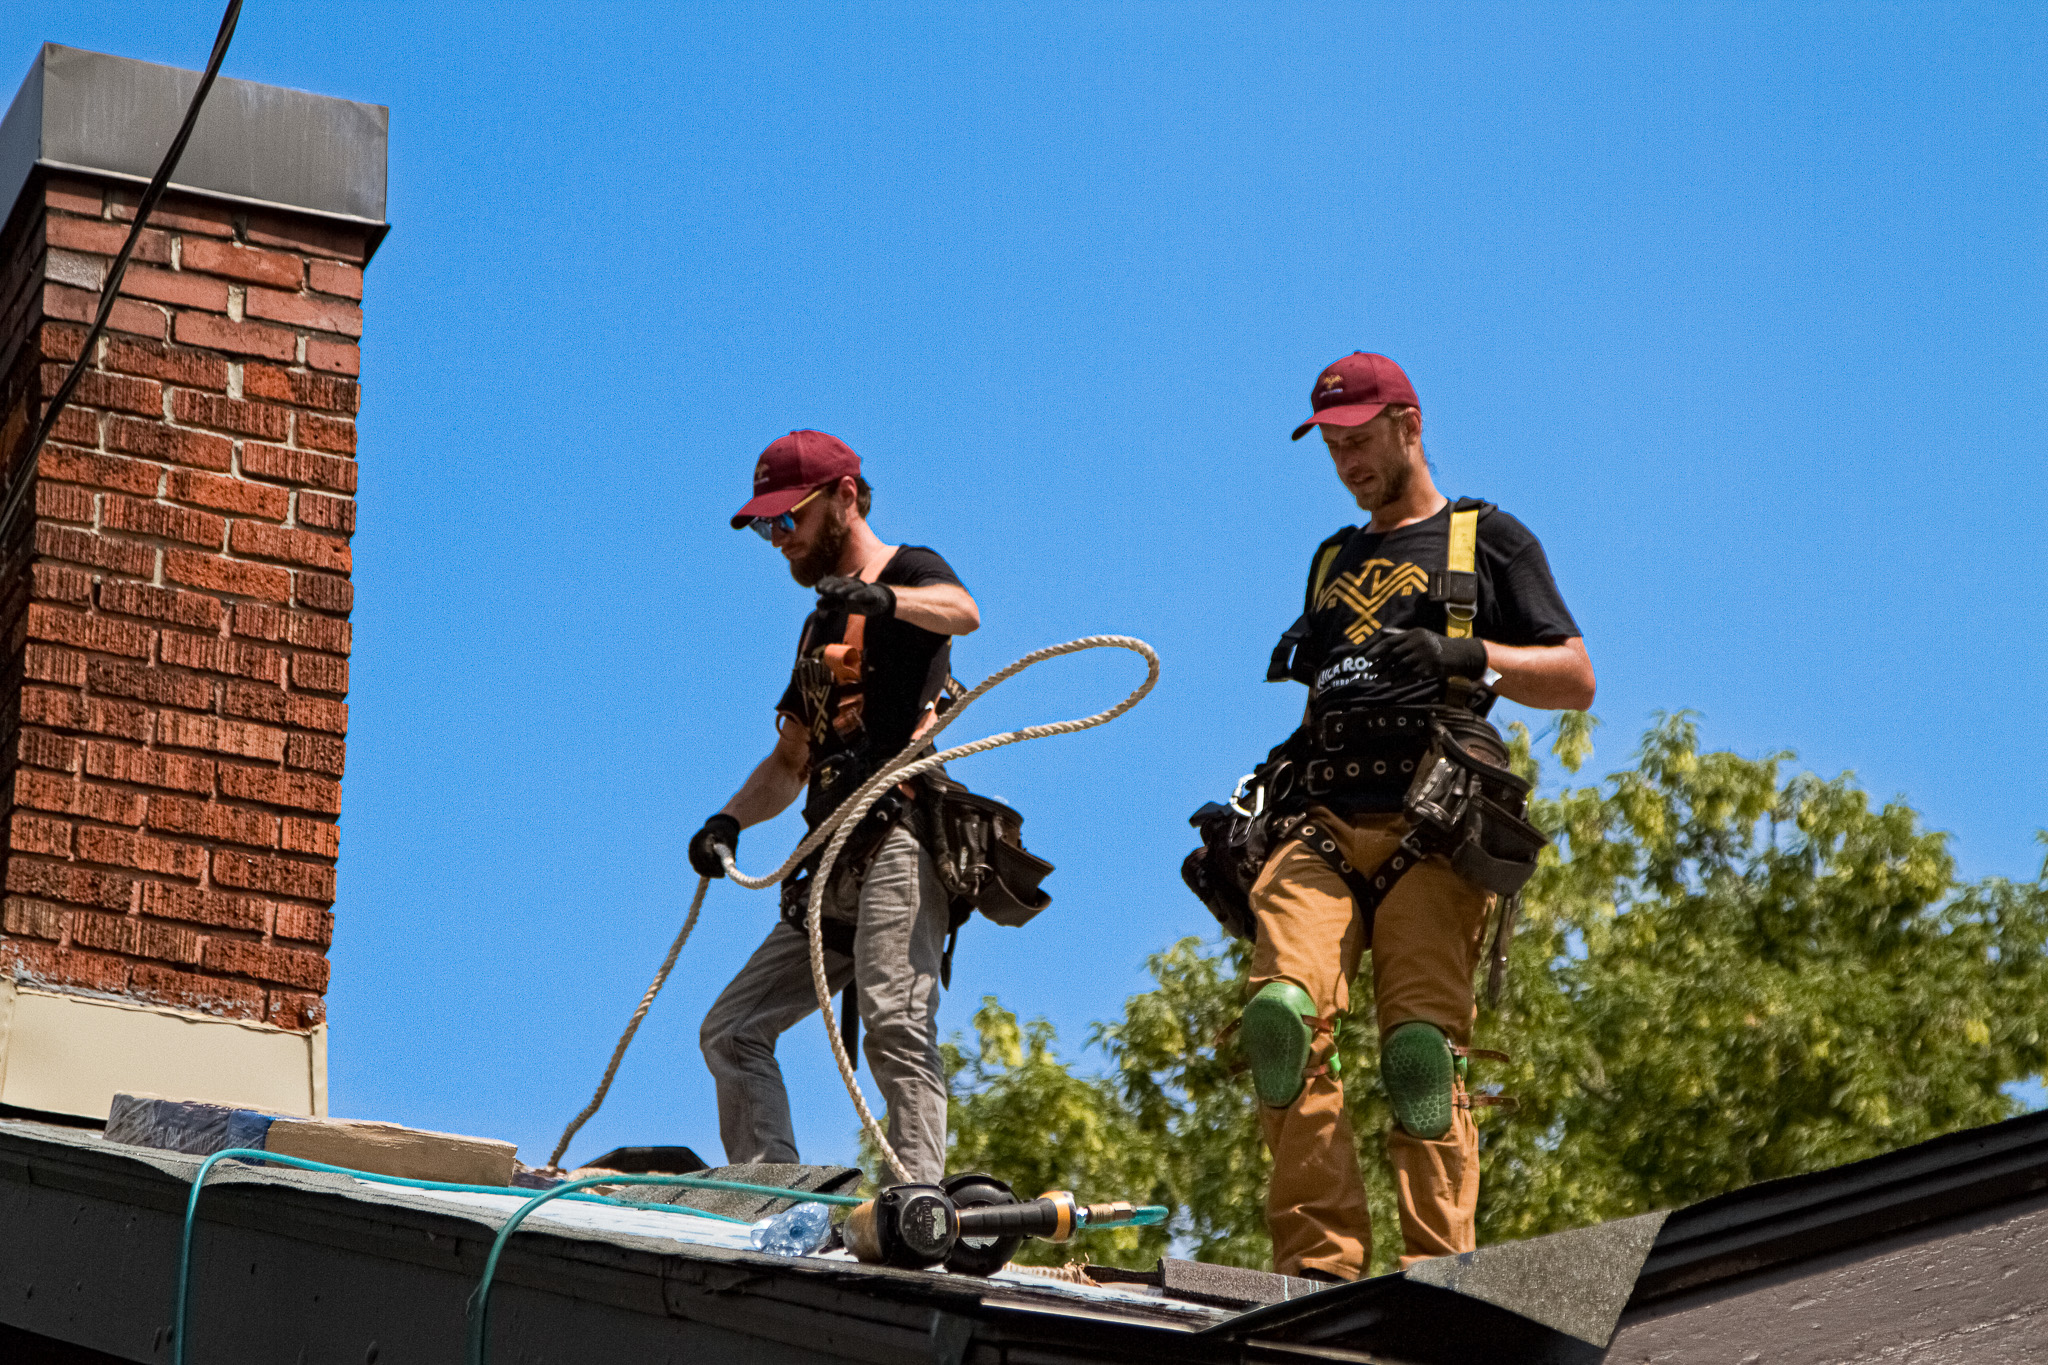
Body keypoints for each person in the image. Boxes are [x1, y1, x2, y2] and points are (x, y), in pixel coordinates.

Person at [1246, 352, 1594, 1280]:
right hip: (1319, 814)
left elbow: (1576, 677)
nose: (1348, 461)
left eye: (1361, 439)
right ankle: (1318, 1268)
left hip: (1430, 824)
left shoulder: (1486, 537)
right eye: (1333, 447)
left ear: (1410, 424)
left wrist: (1463, 651)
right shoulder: (1333, 558)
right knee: (1280, 1020)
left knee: (1419, 1057)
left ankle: (1443, 1273)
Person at [689, 429, 979, 1185]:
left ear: (845, 498)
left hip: (897, 841)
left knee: (894, 1023)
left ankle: (917, 1204)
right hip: (831, 860)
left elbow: (964, 610)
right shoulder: (819, 624)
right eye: (766, 526)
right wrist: (729, 821)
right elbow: (791, 762)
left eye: (790, 519)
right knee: (732, 1029)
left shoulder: (908, 572)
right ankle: (774, 1193)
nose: (778, 538)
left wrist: (886, 600)